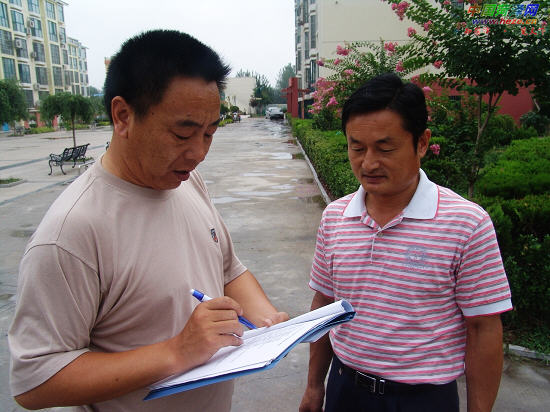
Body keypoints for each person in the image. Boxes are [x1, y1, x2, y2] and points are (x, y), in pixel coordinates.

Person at [9, 30, 288, 412]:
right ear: (123, 116)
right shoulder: (71, 232)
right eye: (183, 133)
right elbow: (35, 380)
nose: (198, 153)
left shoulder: (187, 183)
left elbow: (228, 270)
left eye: (209, 133)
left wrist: (269, 322)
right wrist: (177, 351)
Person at [299, 73, 512, 412]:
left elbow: (483, 327)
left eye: (385, 148)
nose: (369, 163)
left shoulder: (466, 224)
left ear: (422, 143)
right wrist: (314, 386)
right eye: (357, 148)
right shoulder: (335, 217)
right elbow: (324, 303)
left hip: (423, 400)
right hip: (345, 390)